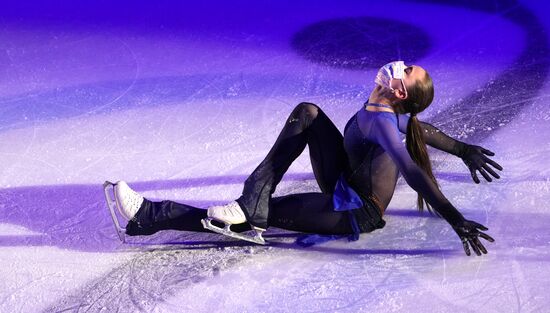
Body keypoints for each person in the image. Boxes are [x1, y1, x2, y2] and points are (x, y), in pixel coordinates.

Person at [104, 61, 502, 256]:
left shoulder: (385, 123)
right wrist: (464, 150)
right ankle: (250, 201)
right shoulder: (391, 115)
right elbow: (422, 129)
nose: (399, 64)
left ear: (399, 92)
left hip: (353, 211)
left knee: (250, 223)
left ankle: (152, 217)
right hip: (343, 183)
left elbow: (413, 172)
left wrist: (456, 220)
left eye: (407, 70)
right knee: (308, 112)